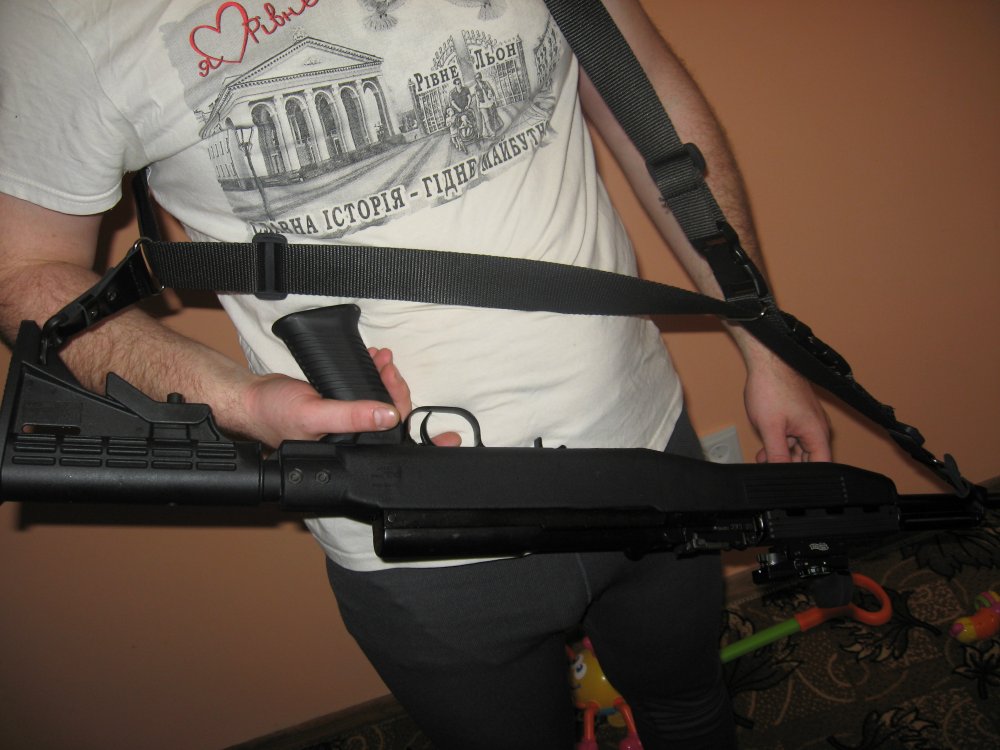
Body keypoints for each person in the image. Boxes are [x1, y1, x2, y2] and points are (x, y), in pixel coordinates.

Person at [0, 1, 830, 748]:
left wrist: (768, 345)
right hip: (412, 536)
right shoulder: (60, 18)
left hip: (649, 450)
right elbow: (26, 274)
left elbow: (641, 91)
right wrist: (241, 402)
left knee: (690, 705)